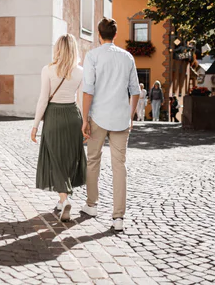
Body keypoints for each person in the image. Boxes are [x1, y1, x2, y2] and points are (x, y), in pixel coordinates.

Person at [80, 18, 140, 232]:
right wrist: (130, 116)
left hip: (98, 116)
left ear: (99, 34)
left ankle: (92, 205)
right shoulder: (128, 57)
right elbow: (136, 91)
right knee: (119, 166)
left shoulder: (93, 56)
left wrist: (84, 119)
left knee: (93, 160)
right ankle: (118, 218)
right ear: (115, 34)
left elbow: (88, 90)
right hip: (120, 119)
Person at [31, 34, 87, 222]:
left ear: (58, 49)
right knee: (69, 159)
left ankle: (65, 198)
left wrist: (35, 124)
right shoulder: (80, 71)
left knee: (55, 159)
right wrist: (85, 122)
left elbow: (43, 99)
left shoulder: (47, 70)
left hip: (54, 116)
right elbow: (80, 100)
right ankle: (62, 200)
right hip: (73, 116)